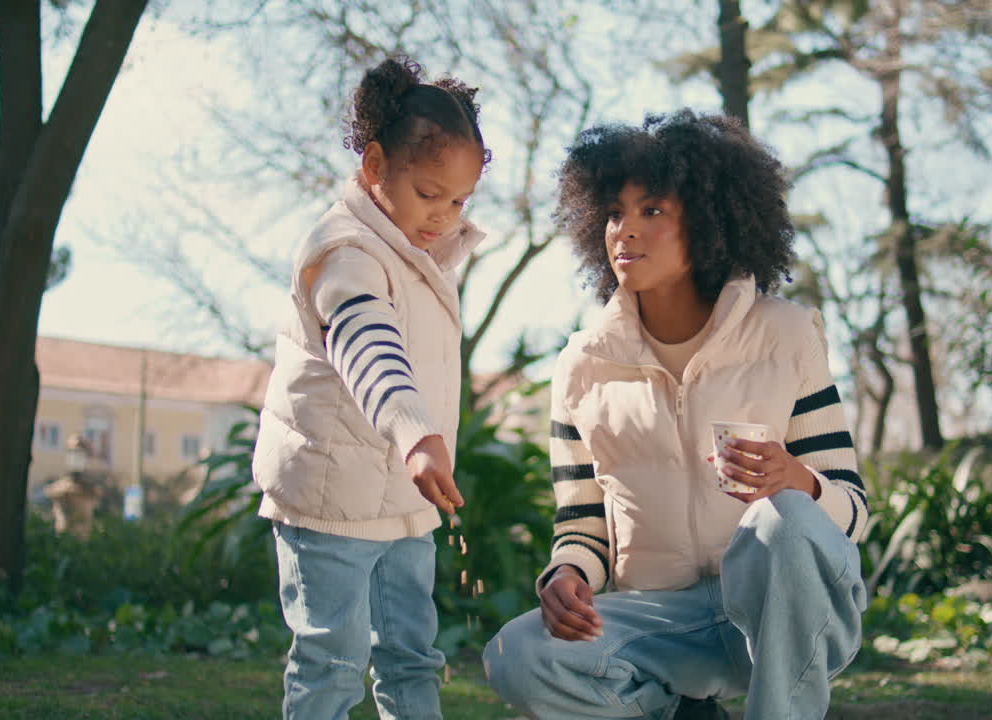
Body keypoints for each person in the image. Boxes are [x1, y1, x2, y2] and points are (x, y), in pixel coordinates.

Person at [484, 110, 869, 720]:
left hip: (785, 616)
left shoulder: (787, 334)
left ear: (710, 221)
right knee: (518, 653)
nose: (624, 231)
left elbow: (852, 510)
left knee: (786, 521)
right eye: (613, 212)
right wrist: (566, 574)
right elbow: (582, 522)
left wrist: (794, 480)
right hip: (663, 620)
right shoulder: (582, 366)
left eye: (652, 211)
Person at [252, 55, 489, 720]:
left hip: (403, 509)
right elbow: (367, 344)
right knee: (333, 660)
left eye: (459, 201)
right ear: (376, 168)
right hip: (331, 506)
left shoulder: (421, 255)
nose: (444, 216)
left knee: (413, 656)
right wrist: (415, 434)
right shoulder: (347, 251)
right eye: (429, 193)